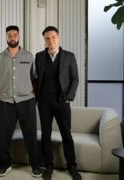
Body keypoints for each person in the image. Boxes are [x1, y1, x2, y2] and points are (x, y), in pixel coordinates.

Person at [34, 26, 81, 180]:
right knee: (45, 134)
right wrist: (36, 97)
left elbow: (75, 78)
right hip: (44, 103)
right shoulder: (39, 56)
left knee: (66, 134)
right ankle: (48, 165)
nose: (51, 40)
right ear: (44, 40)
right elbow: (36, 78)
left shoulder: (69, 56)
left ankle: (72, 166)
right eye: (47, 38)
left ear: (58, 38)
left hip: (62, 102)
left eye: (53, 37)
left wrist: (69, 96)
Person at [0, 25, 42, 178]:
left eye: (15, 34)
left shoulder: (29, 56)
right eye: (9, 35)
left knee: (30, 134)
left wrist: (33, 94)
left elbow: (34, 77)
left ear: (19, 36)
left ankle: (35, 165)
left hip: (26, 101)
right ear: (6, 37)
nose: (12, 37)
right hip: (5, 101)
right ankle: (5, 164)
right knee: (4, 135)